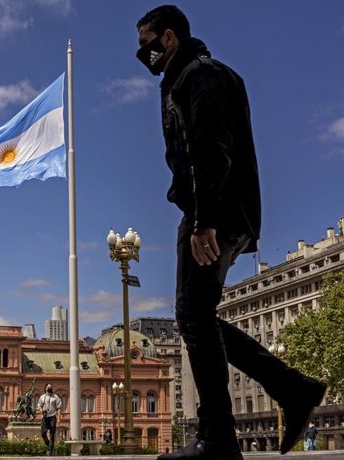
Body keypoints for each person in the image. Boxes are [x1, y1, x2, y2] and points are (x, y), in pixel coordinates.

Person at [134, 5, 327, 460]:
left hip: (214, 212)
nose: (142, 54)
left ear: (168, 38)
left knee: (192, 316)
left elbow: (211, 148)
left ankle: (220, 437)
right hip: (219, 209)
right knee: (196, 317)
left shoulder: (198, 77)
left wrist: (205, 221)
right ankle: (292, 389)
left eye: (146, 43)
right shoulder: (196, 76)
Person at [37, 383, 61, 456]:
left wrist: (59, 418)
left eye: (51, 386)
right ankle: (49, 446)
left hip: (53, 417)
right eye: (48, 386)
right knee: (43, 433)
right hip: (45, 417)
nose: (49, 387)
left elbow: (59, 408)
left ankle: (50, 450)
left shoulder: (55, 397)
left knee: (52, 434)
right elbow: (39, 406)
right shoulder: (42, 397)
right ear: (45, 388)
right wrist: (42, 410)